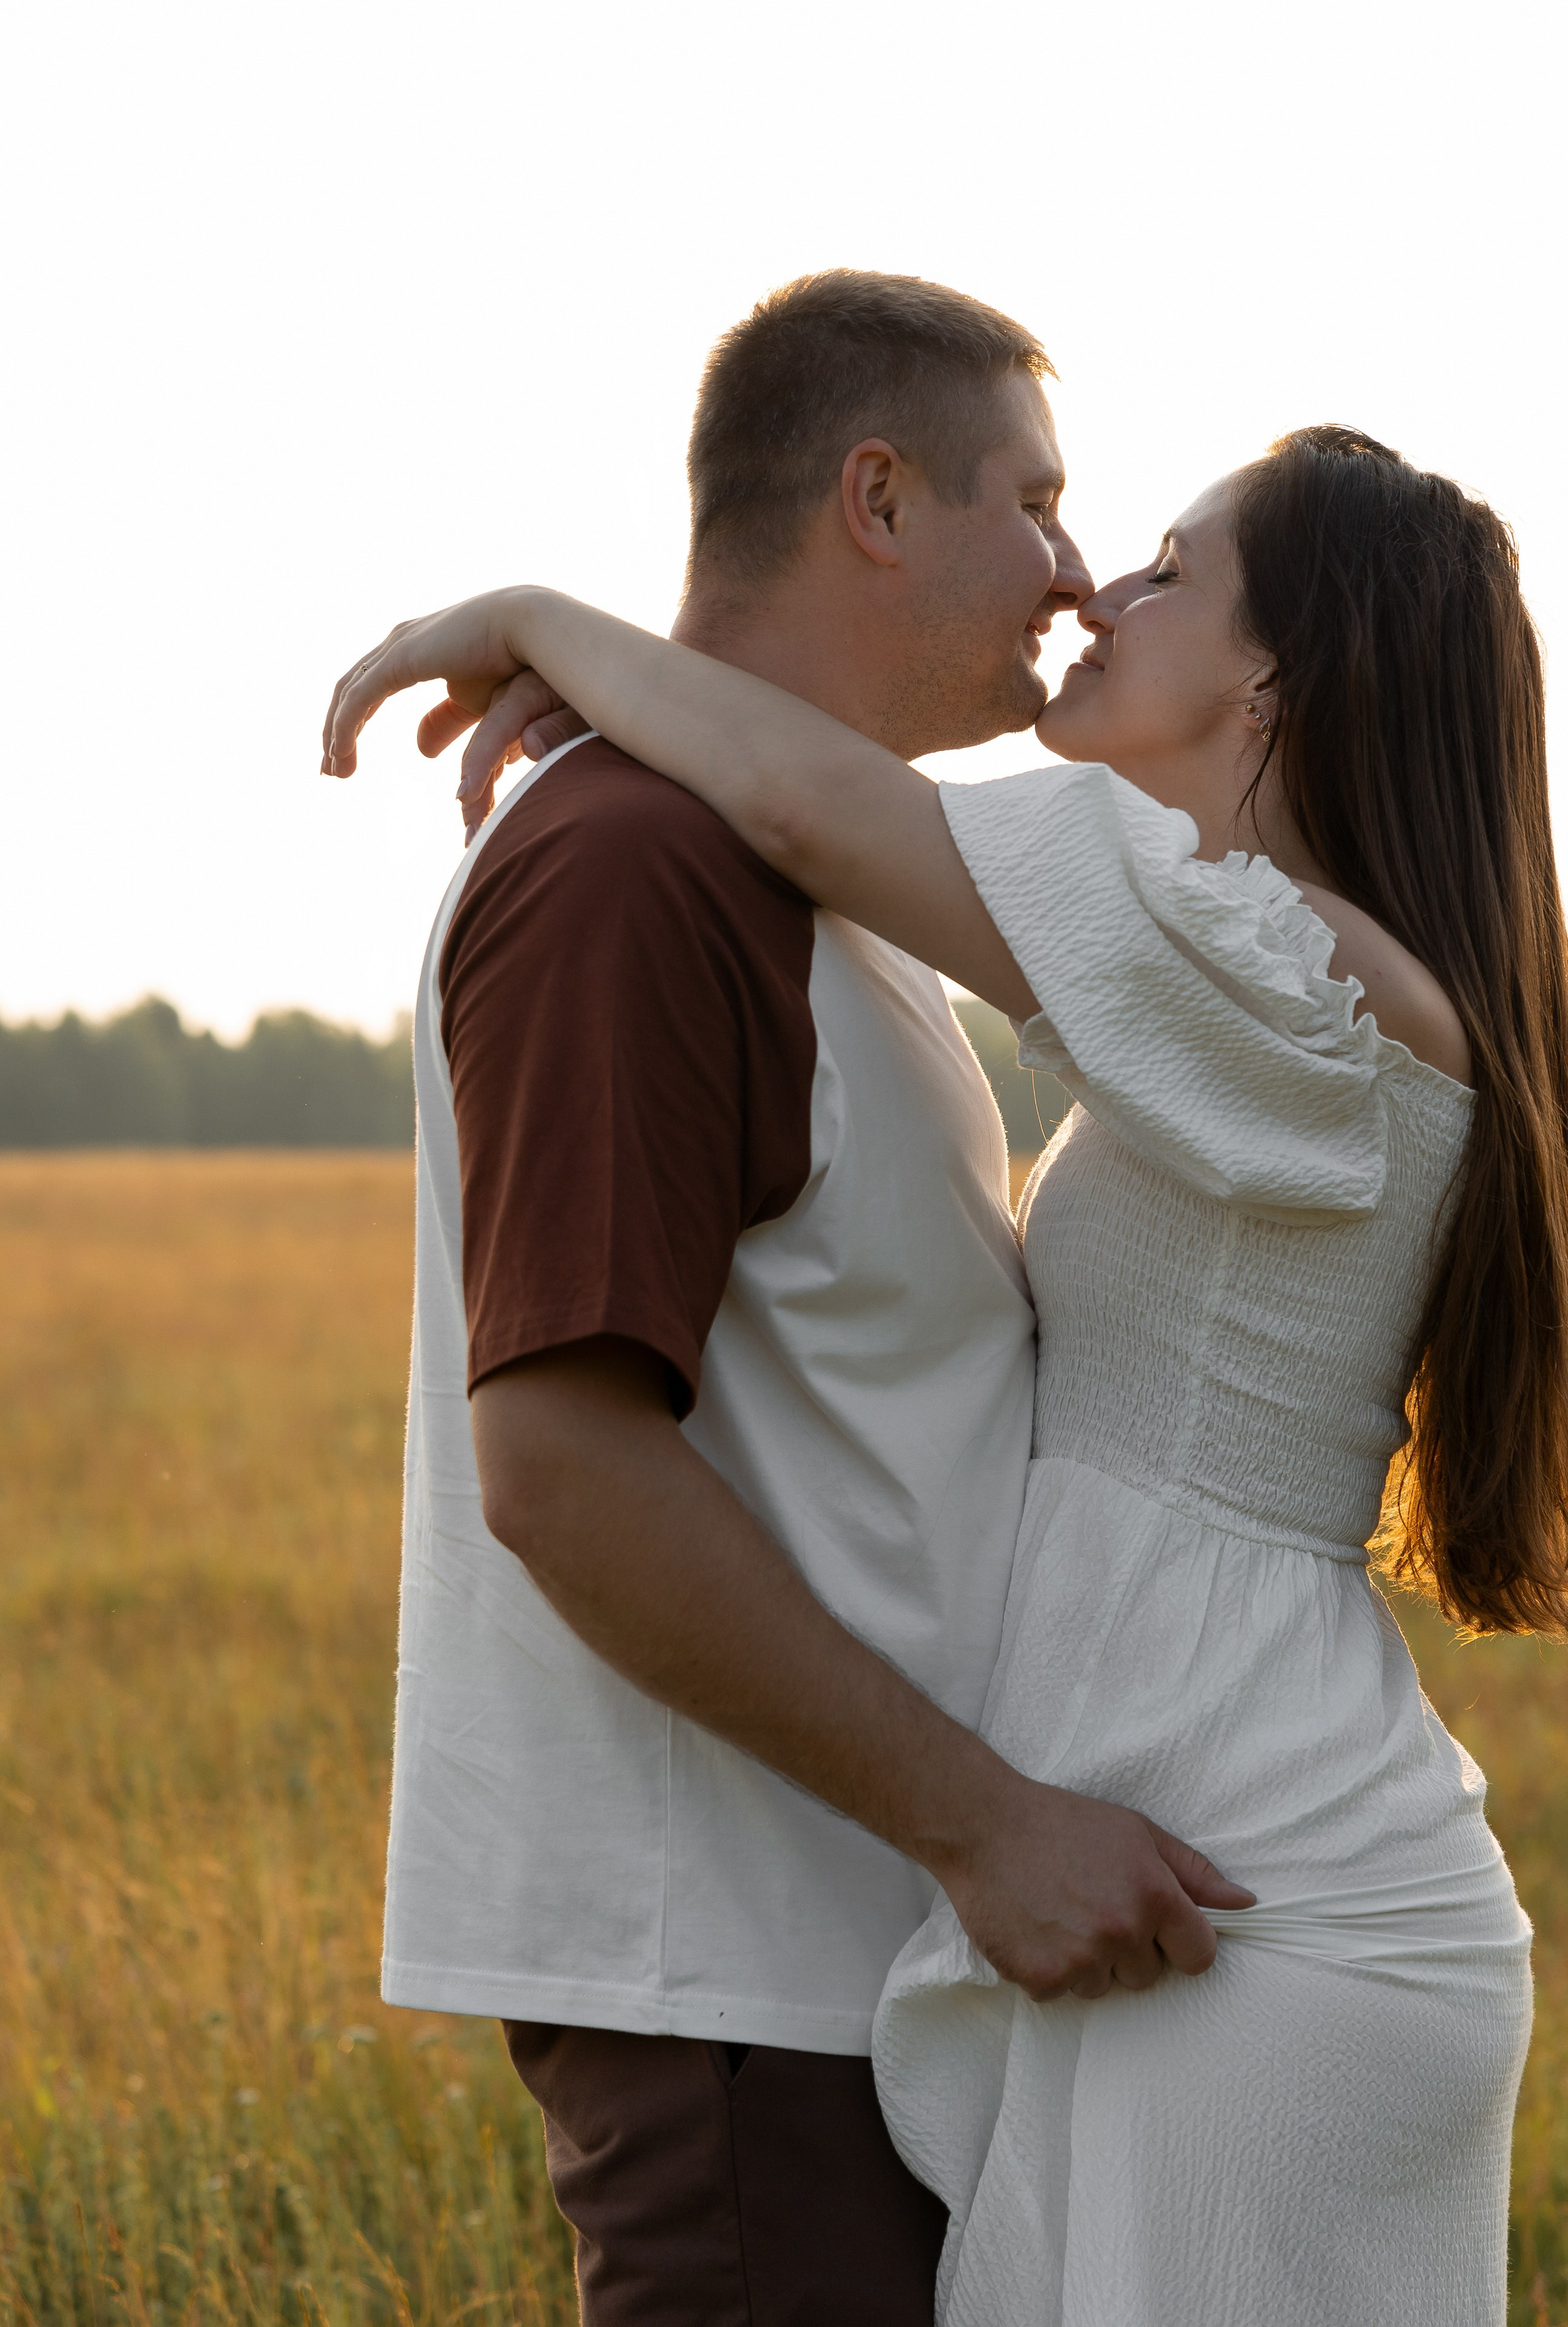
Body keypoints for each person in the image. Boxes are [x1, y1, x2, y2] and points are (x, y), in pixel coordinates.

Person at [326, 424, 1568, 2324]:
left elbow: (799, 802)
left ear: (1275, 674)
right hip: (1226, 1846)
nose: (1100, 585)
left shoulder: (1292, 972)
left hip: (1254, 1893)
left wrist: (529, 611)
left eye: (1171, 570)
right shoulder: (1283, 975)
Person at [323, 270, 1254, 2327]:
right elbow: (561, 1465)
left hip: (865, 1970)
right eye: (1034, 498)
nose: (1074, 570)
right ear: (877, 497)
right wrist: (988, 1825)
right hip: (738, 1987)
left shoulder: (814, 885)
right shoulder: (636, 869)